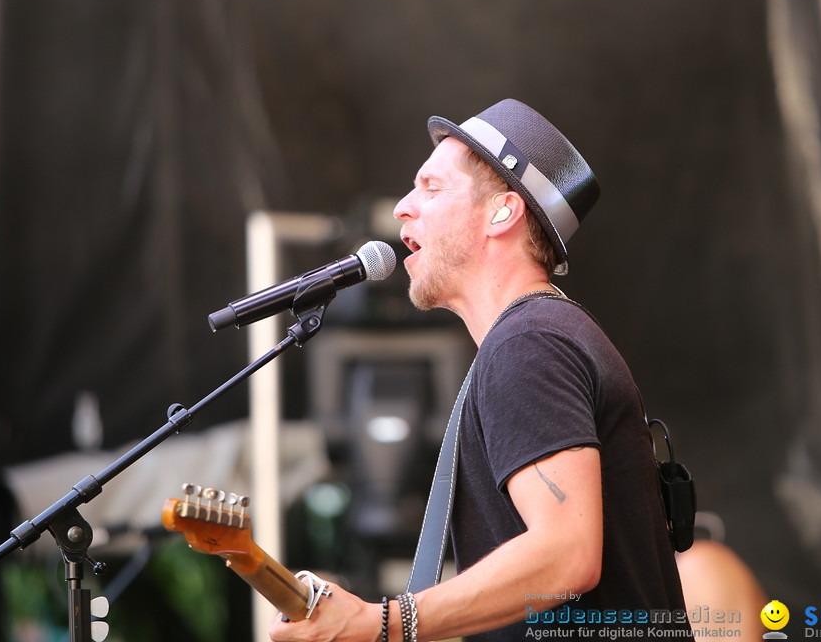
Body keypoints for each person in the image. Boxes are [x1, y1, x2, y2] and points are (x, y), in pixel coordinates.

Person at [269, 99, 689, 642]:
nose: (402, 207)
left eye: (432, 187)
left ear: (503, 212)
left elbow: (566, 555)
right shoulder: (536, 336)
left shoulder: (529, 342)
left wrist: (380, 624)